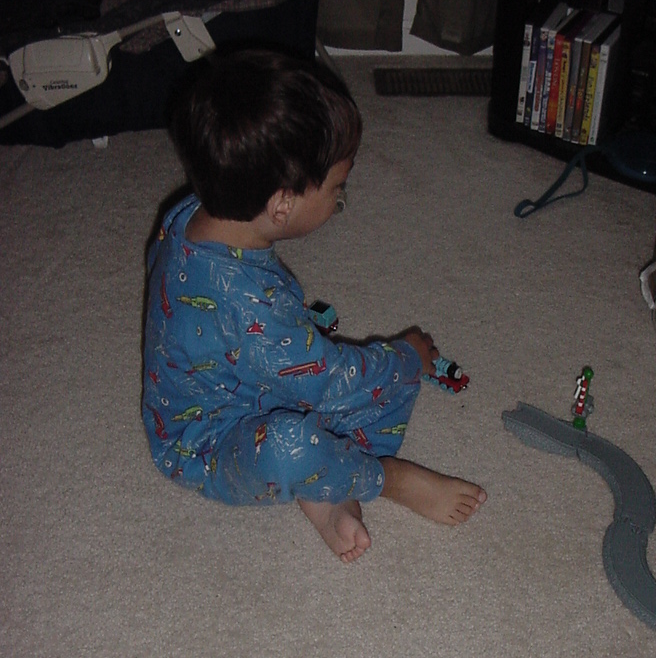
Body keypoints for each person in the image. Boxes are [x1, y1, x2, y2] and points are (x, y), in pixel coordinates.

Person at [142, 49, 486, 562]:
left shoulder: (188, 213)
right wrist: (405, 357)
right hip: (204, 444)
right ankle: (383, 478)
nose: (340, 199)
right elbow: (332, 379)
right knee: (314, 427)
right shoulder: (251, 309)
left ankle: (322, 494)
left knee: (319, 388)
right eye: (337, 189)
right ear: (282, 204)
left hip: (248, 373)